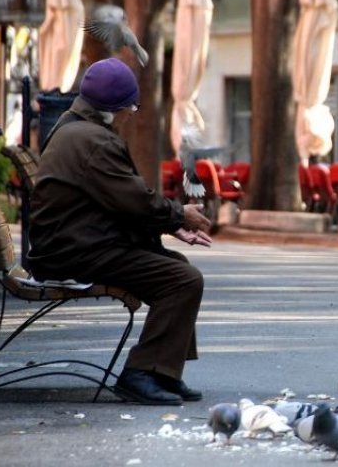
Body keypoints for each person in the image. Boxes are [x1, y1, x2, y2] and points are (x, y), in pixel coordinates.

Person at [27, 58, 213, 406]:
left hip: (71, 243)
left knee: (176, 266)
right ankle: (141, 374)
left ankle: (164, 371)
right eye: (133, 107)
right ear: (119, 108)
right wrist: (180, 215)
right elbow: (134, 201)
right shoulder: (94, 140)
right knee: (182, 279)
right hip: (74, 251)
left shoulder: (74, 126)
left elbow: (117, 201)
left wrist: (172, 226)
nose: (132, 114)